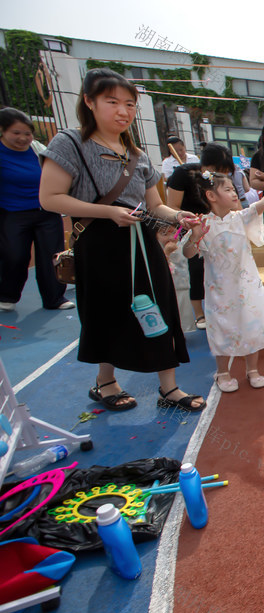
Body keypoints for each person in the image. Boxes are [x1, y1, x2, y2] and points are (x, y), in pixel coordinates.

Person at [39, 68, 204, 412]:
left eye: (129, 104)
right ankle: (105, 382)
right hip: (98, 243)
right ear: (89, 101)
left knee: (158, 308)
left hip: (141, 243)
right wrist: (108, 213)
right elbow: (50, 198)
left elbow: (155, 205)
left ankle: (169, 387)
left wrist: (180, 217)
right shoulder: (69, 143)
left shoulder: (137, 154)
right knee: (107, 312)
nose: (123, 111)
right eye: (112, 102)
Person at [183, 172, 264, 392]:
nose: (235, 193)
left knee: (250, 324)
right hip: (219, 290)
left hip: (246, 286)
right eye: (229, 189)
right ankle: (222, 372)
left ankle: (253, 369)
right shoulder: (202, 223)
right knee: (221, 328)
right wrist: (195, 235)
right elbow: (187, 253)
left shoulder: (240, 217)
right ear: (211, 196)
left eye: (234, 189)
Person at [0, 107, 73, 312]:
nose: (23, 138)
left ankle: (54, 298)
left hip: (46, 211)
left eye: (27, 133)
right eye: (16, 133)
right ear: (3, 131)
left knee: (52, 255)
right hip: (13, 213)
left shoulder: (36, 149)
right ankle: (7, 294)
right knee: (15, 255)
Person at [165, 142, 236, 330]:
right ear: (205, 165)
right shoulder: (183, 174)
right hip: (189, 227)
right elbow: (171, 206)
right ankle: (199, 314)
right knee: (194, 268)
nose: (220, 175)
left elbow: (233, 205)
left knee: (220, 266)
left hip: (215, 227)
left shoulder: (222, 180)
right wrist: (190, 219)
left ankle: (223, 309)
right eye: (216, 170)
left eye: (225, 172)